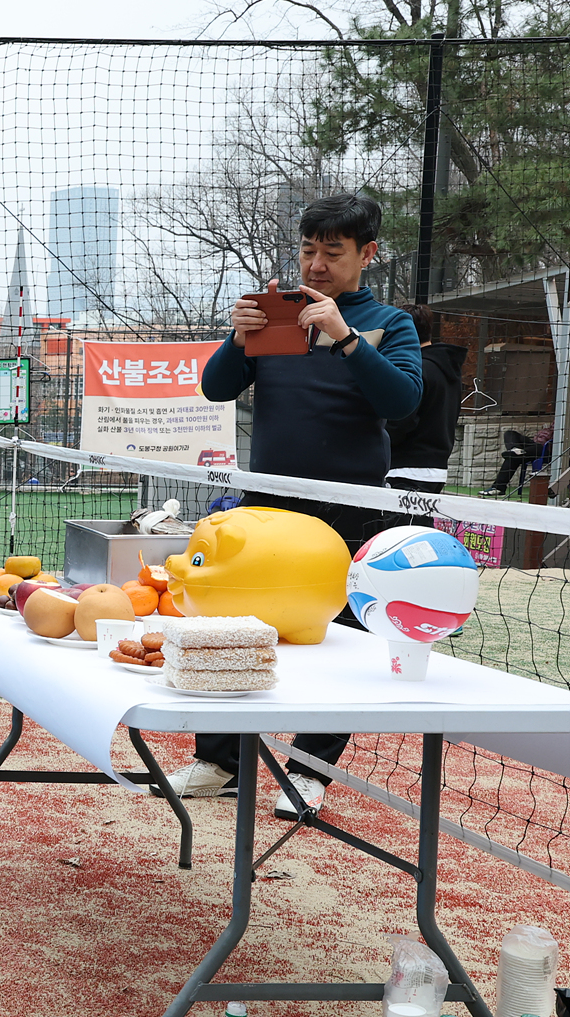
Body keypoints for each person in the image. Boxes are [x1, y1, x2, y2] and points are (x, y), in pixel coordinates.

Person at [167, 191, 422, 819]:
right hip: (267, 507)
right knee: (233, 626)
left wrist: (345, 337)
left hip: (348, 509)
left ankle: (309, 770)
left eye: (332, 252)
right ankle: (220, 762)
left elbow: (402, 403)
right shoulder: (276, 314)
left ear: (368, 253)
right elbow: (215, 387)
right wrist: (237, 339)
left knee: (340, 639)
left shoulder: (389, 322)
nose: (316, 265)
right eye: (308, 250)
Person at [389, 306, 465, 495]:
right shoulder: (447, 368)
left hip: (405, 469)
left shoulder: (416, 369)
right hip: (434, 471)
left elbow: (401, 421)